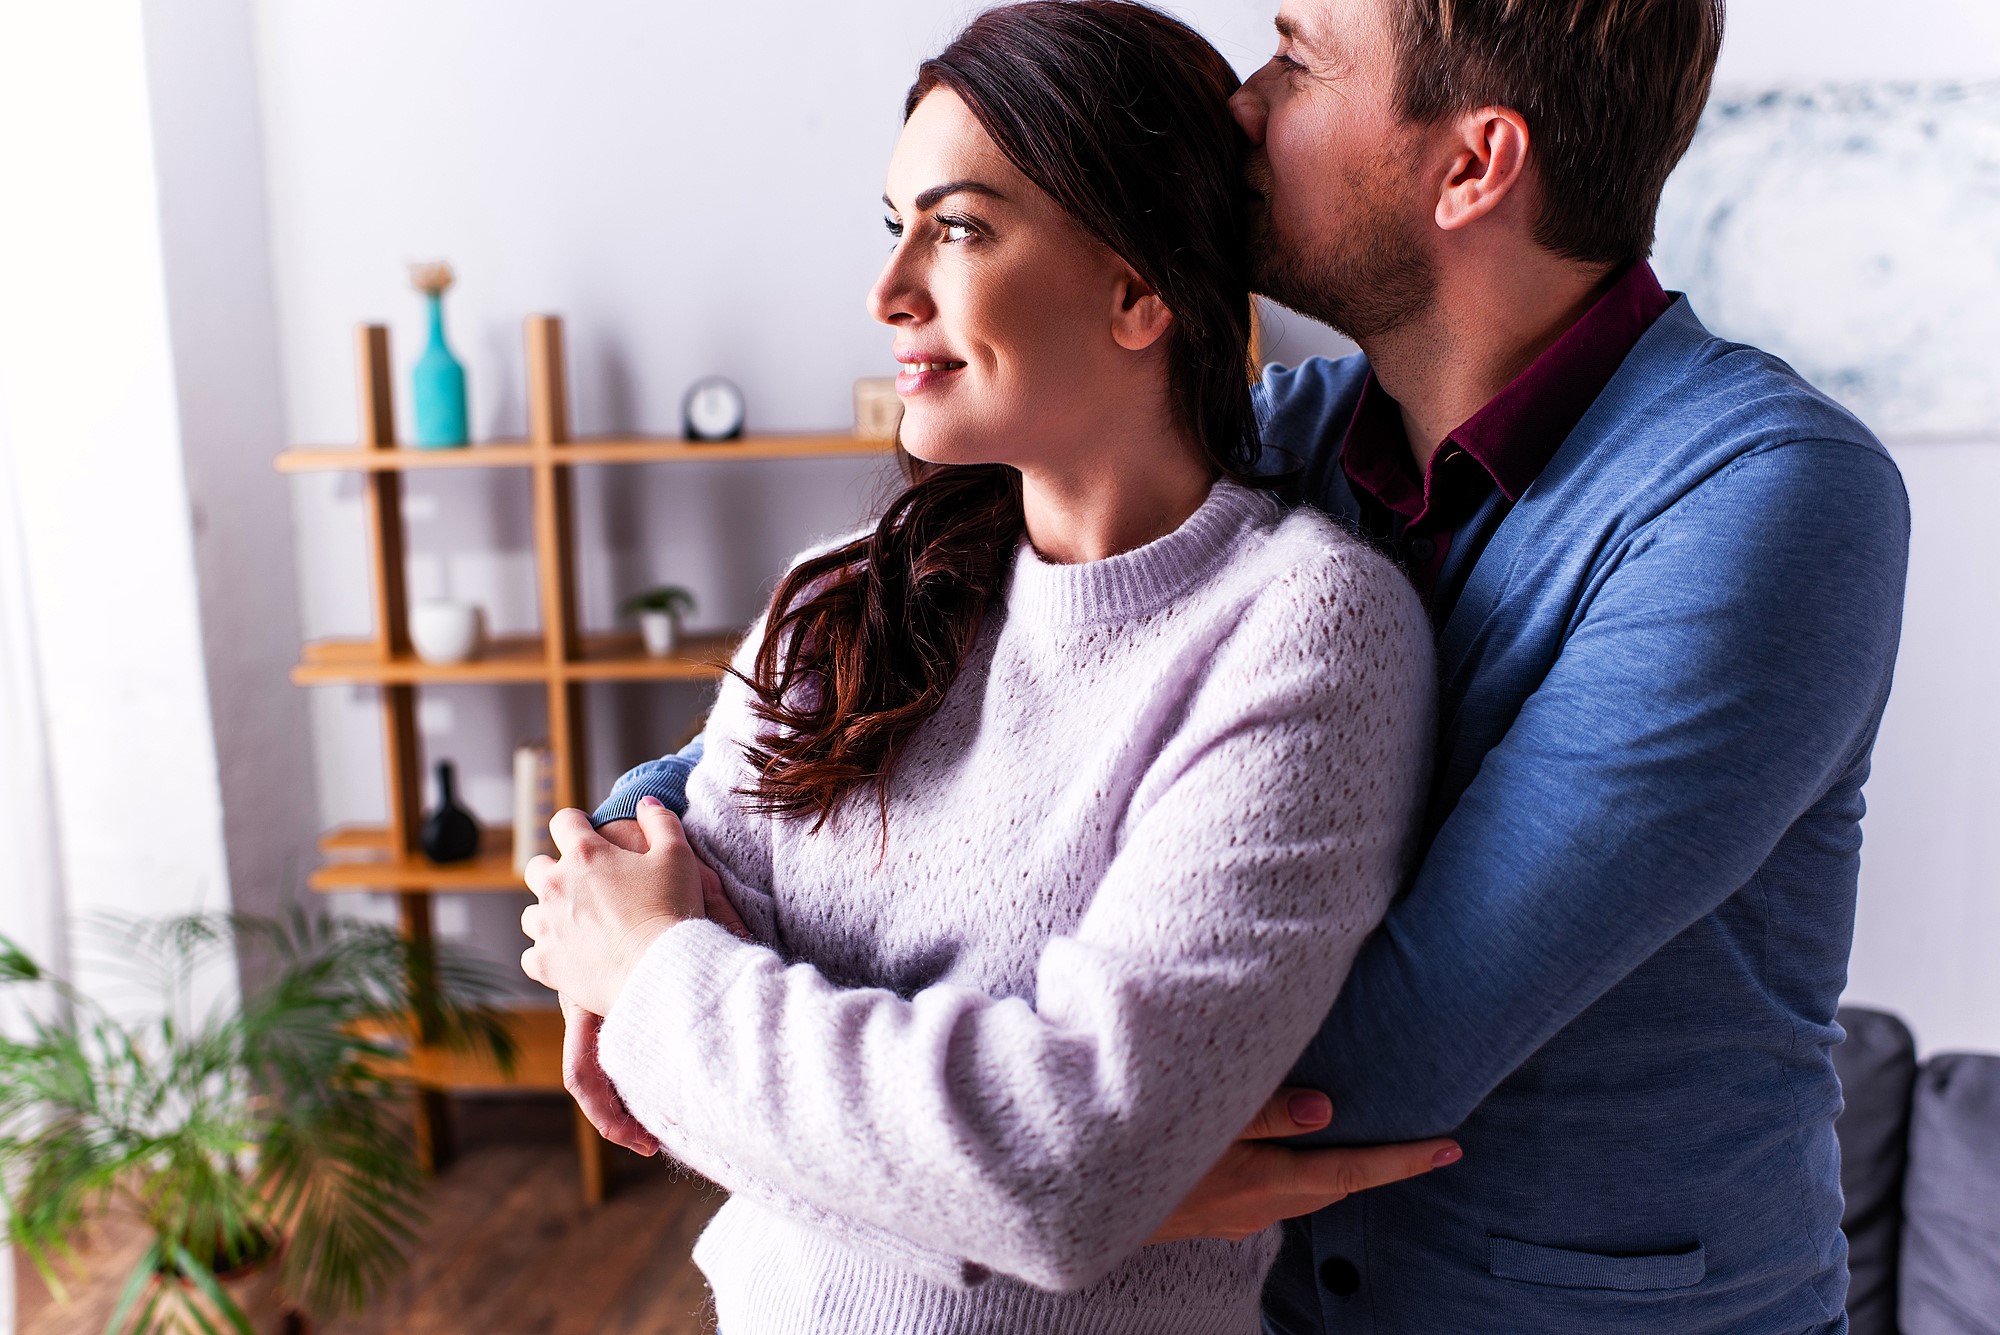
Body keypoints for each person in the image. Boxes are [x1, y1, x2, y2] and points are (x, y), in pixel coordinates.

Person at [564, 0, 1915, 1329]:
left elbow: (1374, 1050)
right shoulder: (1283, 438)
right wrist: (633, 863)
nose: (1242, 106)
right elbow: (804, 727)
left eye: (1295, 60)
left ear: (1472, 166)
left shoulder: (1766, 499)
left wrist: (688, 1008)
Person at [519, 4, 1441, 1332]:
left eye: (956, 229)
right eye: (892, 226)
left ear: (1139, 291)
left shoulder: (1304, 632)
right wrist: (977, 1175)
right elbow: (654, 1093)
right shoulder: (837, 599)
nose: (889, 293)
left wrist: (671, 988)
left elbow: (1057, 1170)